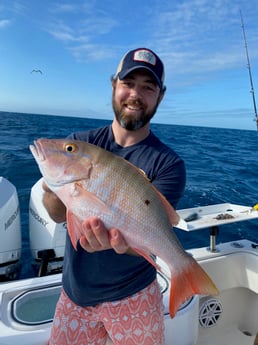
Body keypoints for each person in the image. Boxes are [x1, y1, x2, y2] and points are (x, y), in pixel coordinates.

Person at [43, 47, 186, 345]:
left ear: (160, 96)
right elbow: (58, 214)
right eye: (128, 83)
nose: (136, 94)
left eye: (148, 87)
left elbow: (154, 234)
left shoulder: (169, 164)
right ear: (113, 85)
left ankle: (186, 272)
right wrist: (52, 189)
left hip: (135, 294)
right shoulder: (80, 143)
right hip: (75, 295)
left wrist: (122, 244)